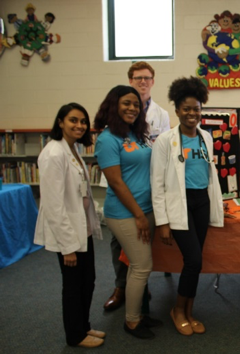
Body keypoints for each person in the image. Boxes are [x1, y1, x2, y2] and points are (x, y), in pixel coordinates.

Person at [151, 76, 223, 336]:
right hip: (178, 205)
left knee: (197, 261)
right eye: (187, 109)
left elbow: (209, 175)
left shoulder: (206, 137)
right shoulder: (165, 141)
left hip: (201, 202)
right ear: (177, 110)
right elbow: (157, 183)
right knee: (193, 260)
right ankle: (177, 310)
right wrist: (162, 222)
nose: (192, 113)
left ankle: (189, 312)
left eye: (196, 109)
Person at [34, 103, 105, 348]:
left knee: (88, 280)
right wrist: (67, 248)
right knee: (74, 286)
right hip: (67, 235)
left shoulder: (72, 148)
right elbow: (53, 205)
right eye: (73, 120)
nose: (79, 125)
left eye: (83, 121)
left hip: (80, 228)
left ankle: (84, 327)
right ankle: (75, 336)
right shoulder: (53, 153)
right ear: (61, 122)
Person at [94, 85, 161, 339]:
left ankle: (140, 314)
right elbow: (116, 182)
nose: (132, 108)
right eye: (126, 103)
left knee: (138, 266)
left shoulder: (136, 134)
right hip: (125, 213)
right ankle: (132, 321)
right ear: (114, 105)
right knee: (141, 266)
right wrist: (139, 215)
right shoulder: (107, 139)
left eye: (136, 104)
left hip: (146, 209)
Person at [103, 61, 171, 312]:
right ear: (130, 80)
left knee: (143, 249)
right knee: (120, 243)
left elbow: (163, 149)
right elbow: (116, 178)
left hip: (147, 187)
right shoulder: (113, 130)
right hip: (124, 194)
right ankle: (121, 286)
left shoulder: (160, 115)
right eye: (138, 77)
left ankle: (138, 287)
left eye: (147, 77)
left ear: (153, 81)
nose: (143, 81)